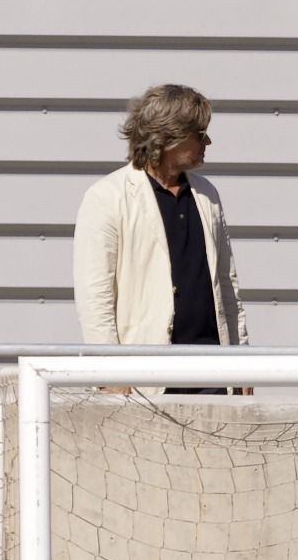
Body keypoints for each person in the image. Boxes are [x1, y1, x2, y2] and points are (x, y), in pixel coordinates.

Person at [73, 83, 249, 395]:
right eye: (200, 133)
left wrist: (244, 365)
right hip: (147, 380)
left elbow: (227, 287)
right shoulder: (107, 197)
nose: (208, 141)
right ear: (171, 136)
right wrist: (110, 373)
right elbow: (94, 298)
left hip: (214, 374)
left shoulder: (207, 195)